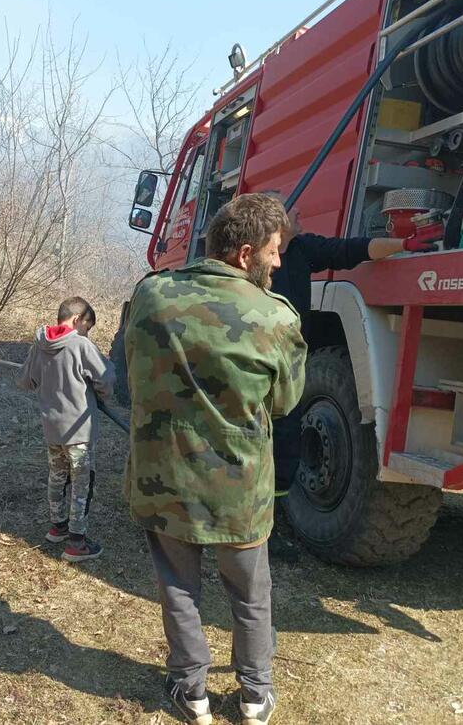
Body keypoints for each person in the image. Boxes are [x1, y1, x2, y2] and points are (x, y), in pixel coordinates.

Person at [124, 193, 307, 725]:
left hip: (164, 478)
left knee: (178, 587)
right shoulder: (275, 317)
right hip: (239, 488)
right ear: (245, 253)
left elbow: (132, 370)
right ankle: (255, 695)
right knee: (251, 594)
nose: (279, 262)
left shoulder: (151, 293)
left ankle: (191, 691)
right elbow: (285, 401)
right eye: (274, 251)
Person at [268, 193, 443, 495]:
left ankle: (271, 504)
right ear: (274, 221)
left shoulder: (301, 249)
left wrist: (403, 244)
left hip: (289, 364)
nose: (298, 210)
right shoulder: (248, 261)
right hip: (260, 360)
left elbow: (351, 250)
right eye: (290, 206)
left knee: (285, 436)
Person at [17, 297, 115, 563]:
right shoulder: (81, 345)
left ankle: (57, 526)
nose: (87, 333)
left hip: (52, 428)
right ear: (76, 319)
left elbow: (25, 380)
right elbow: (107, 377)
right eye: (87, 327)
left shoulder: (39, 344)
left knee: (58, 476)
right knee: (82, 484)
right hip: (79, 431)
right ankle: (77, 543)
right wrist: (101, 393)